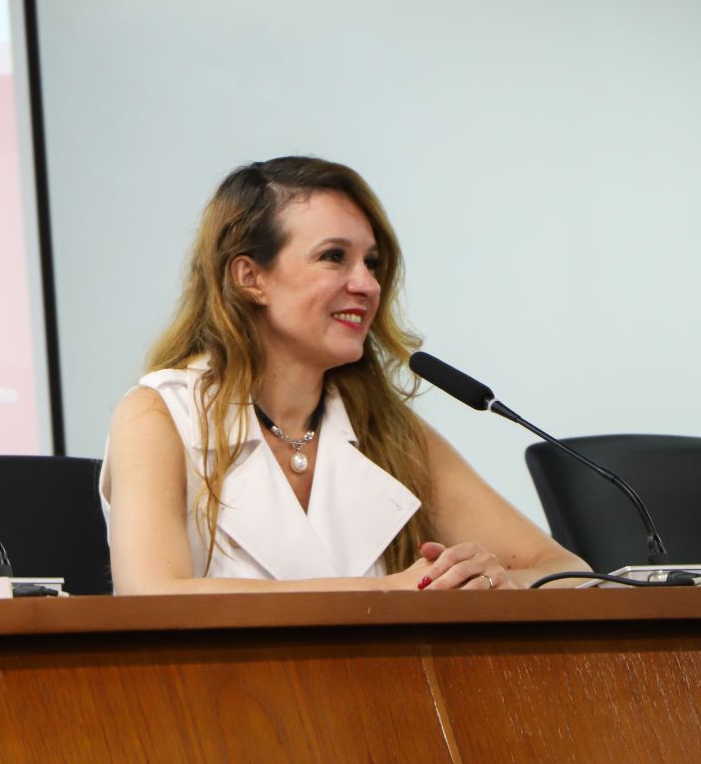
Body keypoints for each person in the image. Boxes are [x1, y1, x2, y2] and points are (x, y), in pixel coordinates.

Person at [102, 156, 587, 593]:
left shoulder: (390, 431)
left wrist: (495, 582)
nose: (367, 285)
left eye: (371, 263)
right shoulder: (160, 415)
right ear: (250, 277)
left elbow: (567, 571)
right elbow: (150, 593)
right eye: (334, 257)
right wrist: (386, 594)